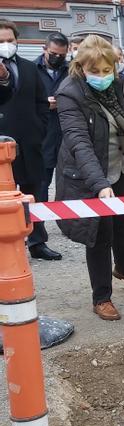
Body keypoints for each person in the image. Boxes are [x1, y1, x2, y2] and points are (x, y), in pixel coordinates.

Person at [55, 35, 124, 321]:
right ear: (81, 66)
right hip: (87, 174)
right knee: (98, 233)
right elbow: (79, 142)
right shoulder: (69, 93)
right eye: (94, 71)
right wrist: (99, 185)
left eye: (106, 70)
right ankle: (101, 297)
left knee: (122, 223)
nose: (101, 76)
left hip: (116, 166)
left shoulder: (114, 85)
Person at [0, 19, 61, 261]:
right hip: (2, 147)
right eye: (1, 41)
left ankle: (37, 242)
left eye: (9, 40)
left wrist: (39, 129)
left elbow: (41, 102)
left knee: (34, 192)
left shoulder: (28, 68)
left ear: (17, 41)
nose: (6, 45)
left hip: (28, 142)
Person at [34, 32, 70, 208]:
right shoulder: (31, 69)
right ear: (44, 49)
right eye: (53, 54)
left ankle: (69, 224)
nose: (57, 58)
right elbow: (21, 101)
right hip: (43, 135)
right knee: (41, 183)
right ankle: (38, 228)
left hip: (67, 134)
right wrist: (43, 103)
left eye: (61, 55)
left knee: (69, 184)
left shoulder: (72, 71)